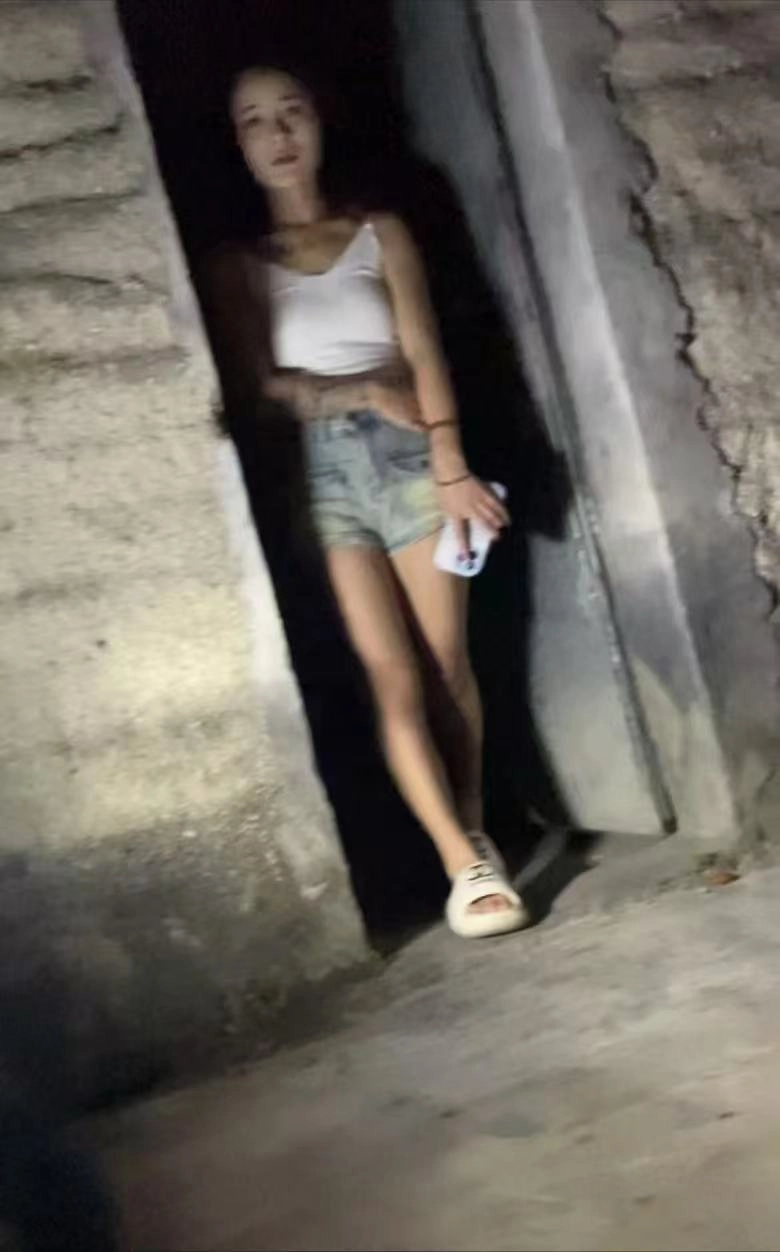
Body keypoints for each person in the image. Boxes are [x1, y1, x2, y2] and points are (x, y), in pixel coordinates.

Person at [217, 64, 527, 938]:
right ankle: (462, 867)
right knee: (389, 678)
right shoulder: (239, 266)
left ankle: (474, 827)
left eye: (292, 113)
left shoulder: (377, 233)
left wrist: (450, 460)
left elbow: (423, 352)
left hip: (415, 458)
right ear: (237, 145)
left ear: (320, 122)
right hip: (323, 477)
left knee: (445, 666)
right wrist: (357, 392)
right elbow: (261, 386)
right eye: (255, 122)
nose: (279, 135)